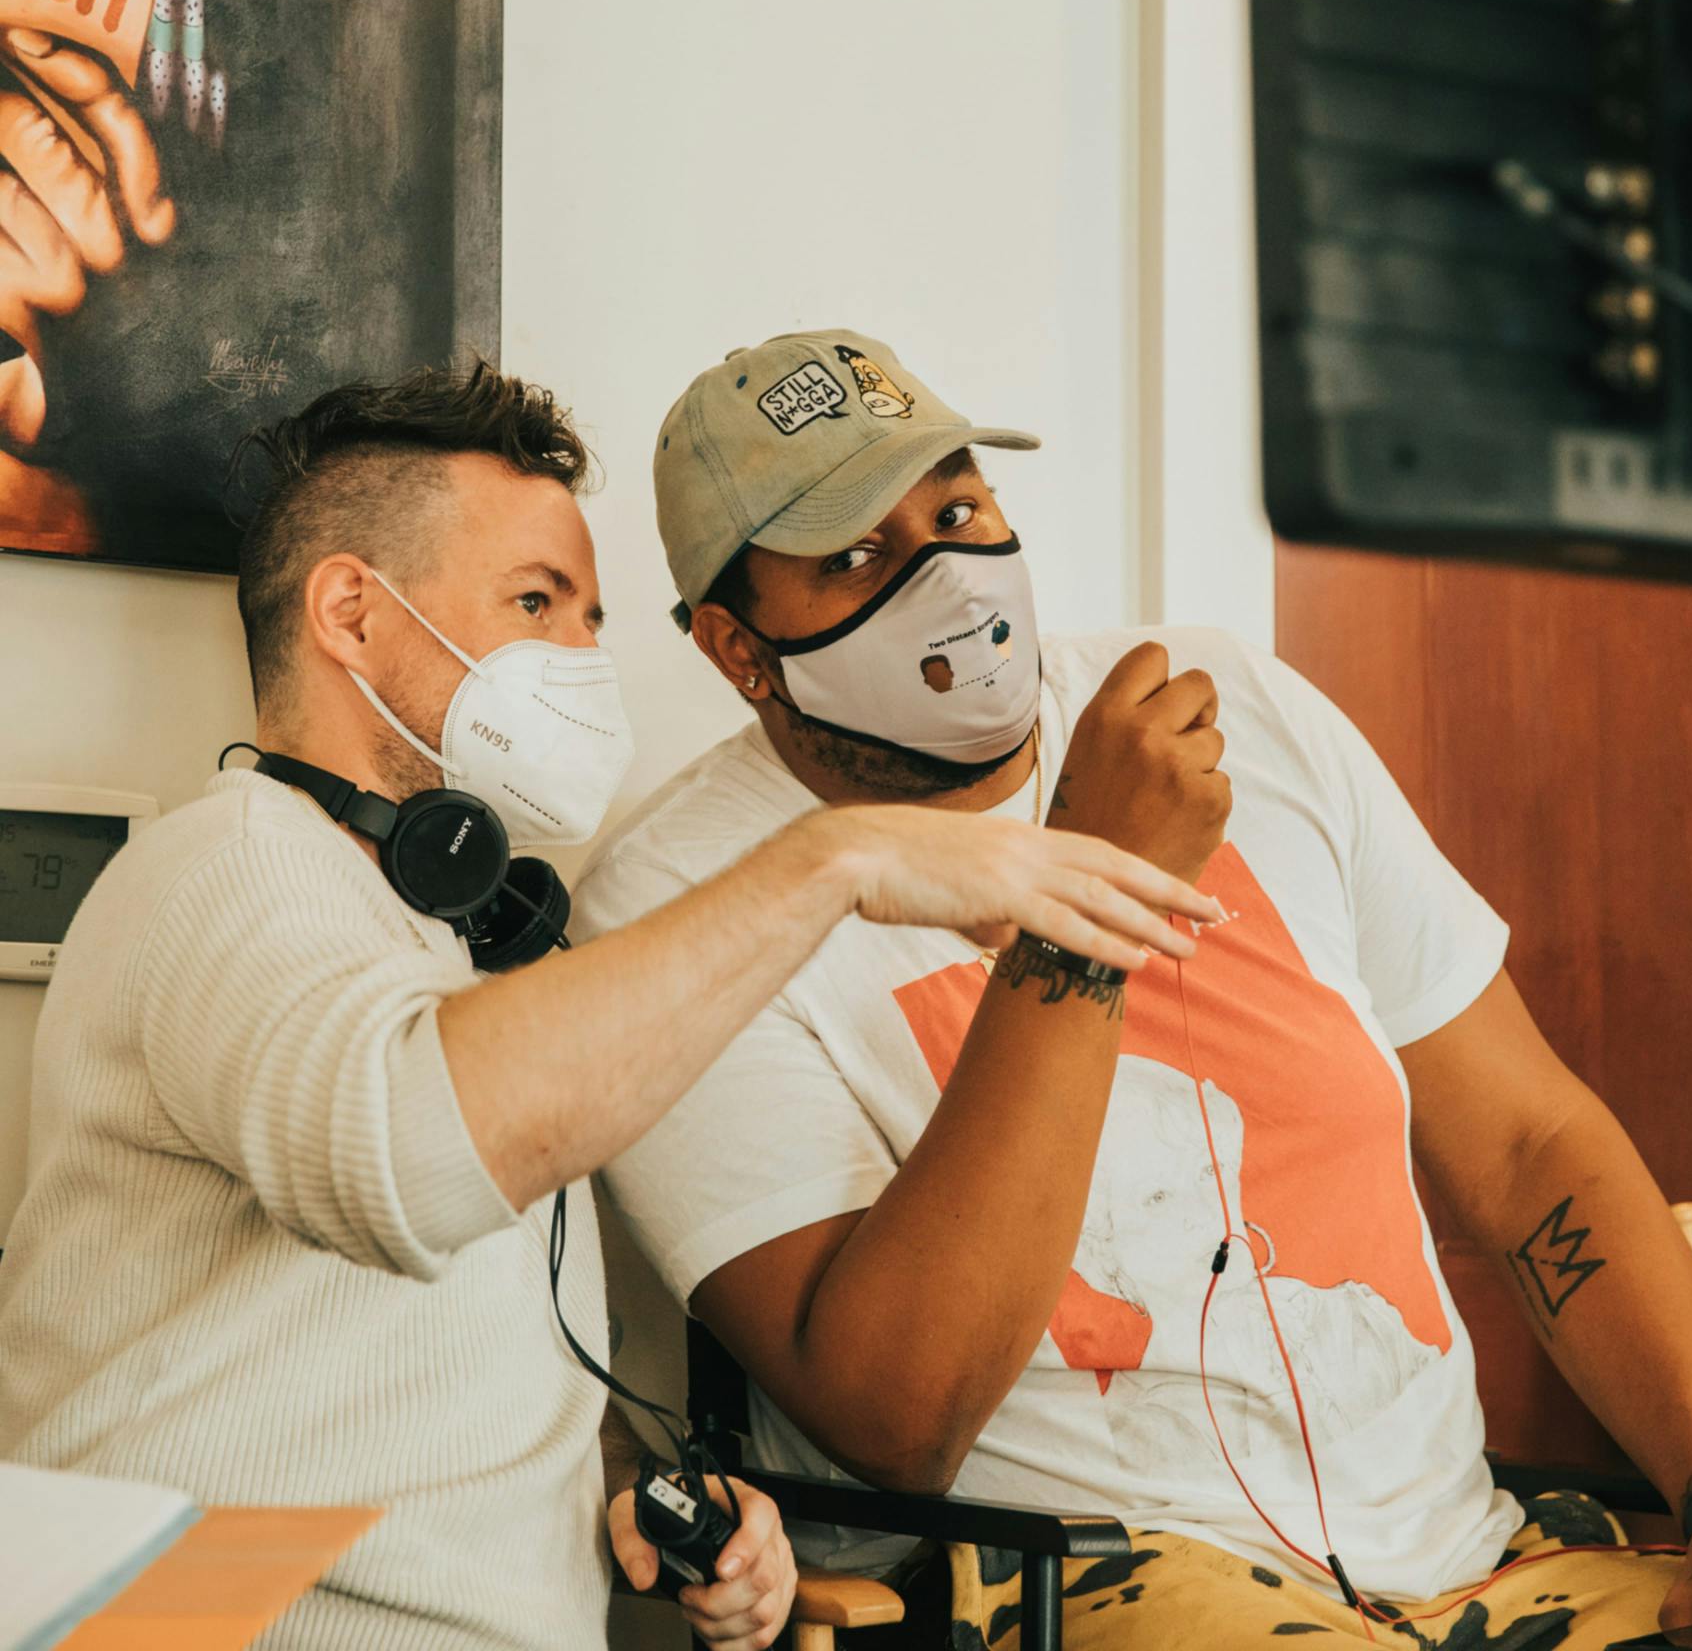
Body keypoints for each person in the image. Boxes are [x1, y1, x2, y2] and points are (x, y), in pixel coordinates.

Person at [574, 331, 1692, 1651]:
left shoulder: (1222, 701)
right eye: (855, 554)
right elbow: (899, 1416)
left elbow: (1531, 1143)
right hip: (1084, 1592)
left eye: (958, 510)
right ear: (741, 651)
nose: (944, 574)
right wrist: (1095, 893)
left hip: (1472, 1568)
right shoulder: (680, 905)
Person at [0, 361, 1213, 1651]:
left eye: (589, 618)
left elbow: (413, 1400)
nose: (584, 660)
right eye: (537, 603)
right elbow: (402, 1159)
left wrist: (644, 1502)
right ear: (351, 613)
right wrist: (833, 860)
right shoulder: (229, 867)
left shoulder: (467, 951)